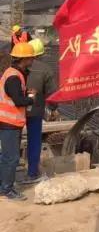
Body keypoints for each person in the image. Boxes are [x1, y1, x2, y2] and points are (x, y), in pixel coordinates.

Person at [0, 42, 37, 200]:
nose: (33, 60)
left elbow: (14, 94)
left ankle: (3, 185)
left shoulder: (14, 73)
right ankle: (7, 189)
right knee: (11, 158)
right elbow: (18, 101)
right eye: (31, 57)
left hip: (8, 121)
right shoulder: (14, 77)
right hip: (9, 123)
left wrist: (25, 93)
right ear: (24, 59)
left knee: (6, 156)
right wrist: (31, 99)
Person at [23, 39, 57, 184]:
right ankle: (32, 173)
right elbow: (52, 93)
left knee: (12, 142)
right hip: (35, 111)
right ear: (41, 54)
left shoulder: (16, 67)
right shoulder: (46, 69)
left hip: (15, 111)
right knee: (34, 141)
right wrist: (53, 108)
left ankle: (7, 175)